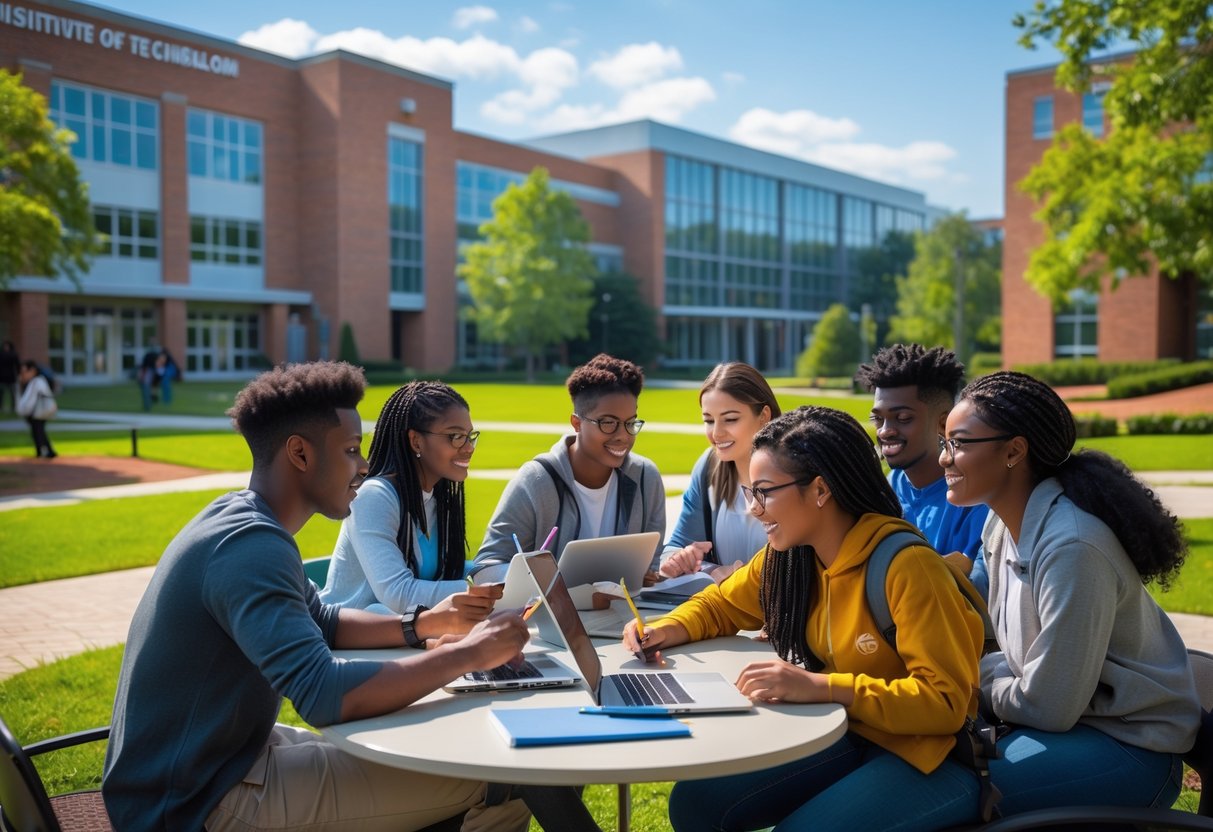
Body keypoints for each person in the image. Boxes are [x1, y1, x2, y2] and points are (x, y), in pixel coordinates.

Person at [102, 361, 601, 832]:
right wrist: (472, 652)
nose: (364, 466)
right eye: (350, 450)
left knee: (450, 746)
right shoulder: (249, 548)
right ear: (300, 454)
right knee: (505, 772)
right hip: (198, 802)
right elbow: (322, 695)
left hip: (218, 761)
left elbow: (326, 621)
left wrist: (424, 626)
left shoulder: (248, 525)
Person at [624, 405, 986, 831]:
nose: (755, 509)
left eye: (765, 491)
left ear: (820, 490)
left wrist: (819, 686)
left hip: (927, 753)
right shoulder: (789, 556)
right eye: (750, 493)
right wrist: (668, 627)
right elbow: (721, 603)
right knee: (697, 802)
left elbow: (945, 704)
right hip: (847, 731)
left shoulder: (906, 567)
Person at [941, 370, 1200, 822]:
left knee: (951, 790)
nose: (945, 459)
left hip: (1130, 749)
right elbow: (1027, 663)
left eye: (958, 443)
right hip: (1073, 726)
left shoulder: (1073, 546)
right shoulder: (1000, 526)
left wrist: (972, 682)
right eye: (946, 443)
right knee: (927, 762)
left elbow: (1049, 705)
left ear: (1013, 451)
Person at [321, 381, 500, 632]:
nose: (469, 448)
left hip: (406, 636)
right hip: (352, 641)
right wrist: (492, 591)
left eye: (470, 436)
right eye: (456, 437)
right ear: (416, 441)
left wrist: (507, 575)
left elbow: (450, 571)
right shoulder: (374, 497)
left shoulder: (438, 498)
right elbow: (398, 594)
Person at [472, 353, 665, 581]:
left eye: (631, 423)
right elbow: (485, 570)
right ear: (577, 423)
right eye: (608, 423)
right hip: (549, 615)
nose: (623, 436)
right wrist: (557, 586)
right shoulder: (536, 481)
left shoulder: (645, 478)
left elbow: (651, 566)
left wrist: (650, 576)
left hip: (626, 614)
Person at [855, 344, 991, 597]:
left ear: (944, 423)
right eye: (878, 419)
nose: (885, 431)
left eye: (903, 418)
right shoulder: (886, 487)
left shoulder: (979, 499)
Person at [659, 362, 780, 584]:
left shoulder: (795, 471)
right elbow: (671, 552)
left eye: (730, 419)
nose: (716, 433)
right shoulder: (708, 467)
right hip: (725, 613)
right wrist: (695, 564)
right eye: (708, 420)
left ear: (763, 416)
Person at [15, 359, 57, 459]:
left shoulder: (37, 381)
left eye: (25, 372)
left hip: (39, 412)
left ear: (32, 371)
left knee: (38, 431)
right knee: (38, 431)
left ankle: (46, 451)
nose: (23, 375)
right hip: (36, 412)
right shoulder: (31, 383)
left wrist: (25, 410)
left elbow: (31, 399)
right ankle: (44, 451)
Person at [138, 345, 179, 411]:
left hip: (154, 374)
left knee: (151, 387)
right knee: (150, 387)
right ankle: (152, 400)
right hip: (153, 373)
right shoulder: (155, 358)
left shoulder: (154, 358)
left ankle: (152, 401)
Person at [0, 340, 19, 413]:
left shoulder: (13, 355)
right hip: (2, 377)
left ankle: (13, 407)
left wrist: (18, 374)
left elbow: (17, 365)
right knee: (1, 393)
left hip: (11, 377)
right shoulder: (1, 354)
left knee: (13, 393)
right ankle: (1, 407)